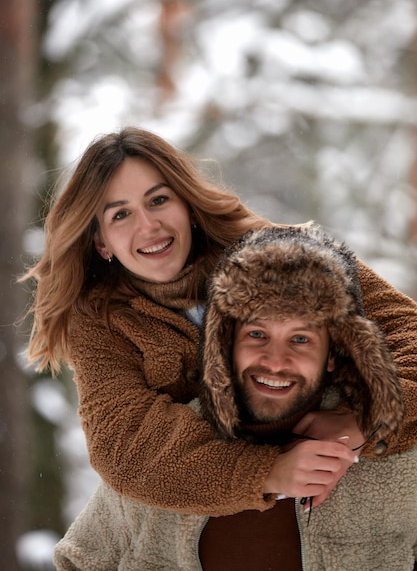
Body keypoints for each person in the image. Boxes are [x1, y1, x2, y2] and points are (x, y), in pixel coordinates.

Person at [22, 126, 417, 516]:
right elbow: (125, 448)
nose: (148, 226)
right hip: (205, 529)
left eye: (158, 200)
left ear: (187, 205)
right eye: (121, 214)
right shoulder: (101, 320)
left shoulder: (281, 252)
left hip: (350, 499)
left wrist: (362, 421)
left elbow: (409, 332)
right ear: (101, 241)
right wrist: (268, 471)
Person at [53, 224, 417, 571]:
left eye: (301, 339)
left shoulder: (396, 459)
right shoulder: (163, 450)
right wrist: (265, 472)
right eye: (257, 334)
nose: (275, 362)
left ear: (334, 353)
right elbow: (79, 561)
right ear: (224, 344)